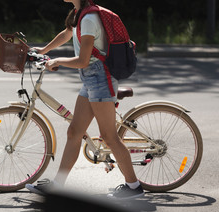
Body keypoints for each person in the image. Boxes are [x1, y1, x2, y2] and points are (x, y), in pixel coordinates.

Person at [25, 0, 144, 200]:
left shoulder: (89, 19)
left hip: (100, 78)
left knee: (109, 137)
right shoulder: (79, 13)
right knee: (74, 132)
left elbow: (83, 60)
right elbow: (67, 33)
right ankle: (58, 186)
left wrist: (57, 61)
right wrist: (44, 51)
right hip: (90, 79)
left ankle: (134, 187)